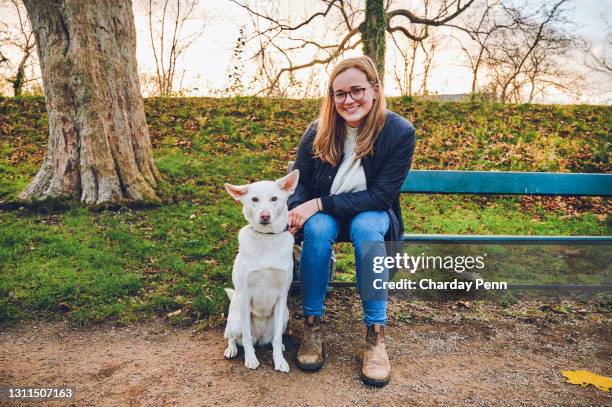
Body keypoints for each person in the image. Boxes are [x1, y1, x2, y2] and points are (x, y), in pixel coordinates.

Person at [287, 55, 416, 387]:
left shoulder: (398, 132)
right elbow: (299, 182)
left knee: (366, 228)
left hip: (370, 211)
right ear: (332, 97)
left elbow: (381, 197)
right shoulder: (318, 131)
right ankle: (312, 327)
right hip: (326, 215)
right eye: (339, 93)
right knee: (316, 228)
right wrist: (298, 212)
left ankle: (376, 337)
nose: (348, 100)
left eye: (356, 90)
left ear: (374, 89)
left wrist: (318, 202)